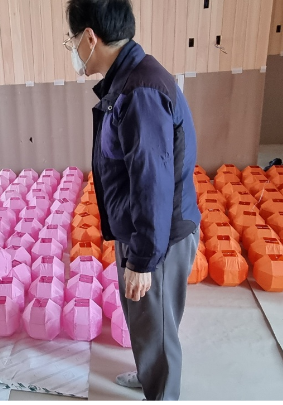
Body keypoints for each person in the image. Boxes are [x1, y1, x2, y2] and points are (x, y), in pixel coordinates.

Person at [65, 0, 201, 401]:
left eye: (72, 40)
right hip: (143, 230)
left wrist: (143, 260)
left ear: (90, 37)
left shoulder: (140, 90)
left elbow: (151, 181)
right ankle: (148, 375)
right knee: (144, 321)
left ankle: (162, 392)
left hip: (159, 237)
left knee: (157, 329)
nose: (73, 49)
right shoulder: (128, 80)